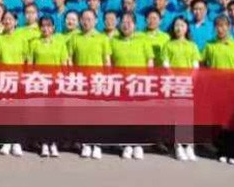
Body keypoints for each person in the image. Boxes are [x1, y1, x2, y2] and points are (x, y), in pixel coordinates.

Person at [67, 10, 111, 160]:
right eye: (84, 19)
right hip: (80, 82)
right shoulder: (75, 38)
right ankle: (85, 144)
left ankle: (97, 145)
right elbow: (70, 59)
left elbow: (107, 61)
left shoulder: (102, 38)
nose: (86, 22)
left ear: (96, 21)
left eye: (90, 19)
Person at [110, 13, 154, 160]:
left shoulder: (143, 40)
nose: (126, 24)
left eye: (129, 22)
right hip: (121, 84)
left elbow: (150, 62)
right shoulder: (114, 41)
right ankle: (127, 145)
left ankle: (138, 145)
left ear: (135, 25)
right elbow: (110, 62)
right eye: (123, 21)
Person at [29, 16, 70, 158]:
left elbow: (64, 65)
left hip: (56, 85)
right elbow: (30, 65)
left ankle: (53, 144)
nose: (45, 28)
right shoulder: (34, 43)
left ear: (53, 28)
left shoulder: (60, 43)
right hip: (39, 84)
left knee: (55, 116)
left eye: (48, 26)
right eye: (43, 26)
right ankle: (44, 144)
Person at [161, 17, 201, 162]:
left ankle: (189, 146)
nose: (179, 28)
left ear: (187, 28)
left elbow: (196, 66)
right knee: (177, 116)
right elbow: (166, 65)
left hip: (189, 84)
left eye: (182, 25)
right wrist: (175, 80)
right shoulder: (168, 45)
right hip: (174, 84)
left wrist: (190, 80)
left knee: (189, 116)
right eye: (177, 25)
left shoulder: (192, 45)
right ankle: (178, 146)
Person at [202, 16, 234, 164]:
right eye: (218, 26)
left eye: (223, 26)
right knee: (219, 121)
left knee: (233, 122)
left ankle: (233, 152)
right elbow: (203, 64)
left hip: (233, 88)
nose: (220, 29)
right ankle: (221, 151)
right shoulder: (209, 45)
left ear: (229, 27)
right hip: (216, 88)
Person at [0, 10, 28, 157]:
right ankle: (7, 141)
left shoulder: (22, 38)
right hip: (3, 80)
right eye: (5, 19)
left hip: (18, 79)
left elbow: (26, 60)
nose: (7, 21)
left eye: (10, 19)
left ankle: (17, 142)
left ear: (16, 22)